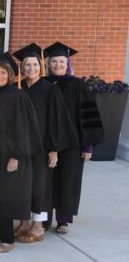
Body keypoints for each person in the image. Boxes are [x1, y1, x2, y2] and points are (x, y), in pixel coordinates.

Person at [0, 54, 43, 253]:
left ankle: (7, 239)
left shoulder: (17, 96)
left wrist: (16, 155)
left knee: (4, 195)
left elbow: (22, 129)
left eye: (2, 72)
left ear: (10, 75)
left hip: (8, 155)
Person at [12, 44, 78, 243]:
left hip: (42, 147)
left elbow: (56, 121)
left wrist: (53, 150)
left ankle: (38, 225)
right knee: (22, 185)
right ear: (22, 68)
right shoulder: (18, 88)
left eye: (34, 64)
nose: (30, 68)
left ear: (41, 66)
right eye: (27, 65)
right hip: (21, 147)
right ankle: (24, 221)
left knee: (40, 186)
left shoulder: (50, 89)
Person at [43, 42, 105, 234]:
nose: (58, 65)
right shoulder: (43, 84)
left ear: (67, 63)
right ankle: (45, 219)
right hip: (47, 143)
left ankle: (63, 220)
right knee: (46, 181)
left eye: (62, 61)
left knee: (68, 180)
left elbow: (88, 115)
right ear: (48, 63)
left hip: (73, 143)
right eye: (54, 61)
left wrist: (88, 147)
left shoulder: (78, 85)